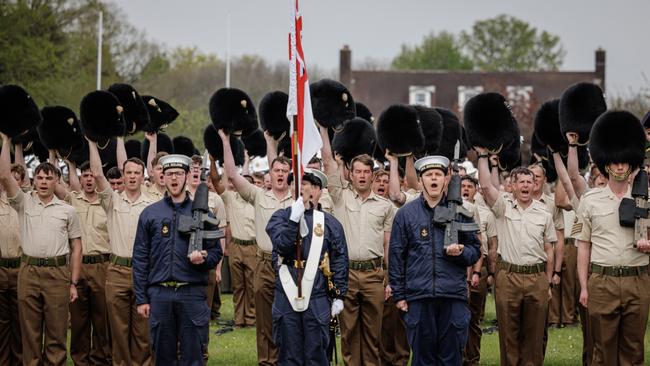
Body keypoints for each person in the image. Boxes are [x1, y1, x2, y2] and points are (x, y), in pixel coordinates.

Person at [389, 155, 481, 365]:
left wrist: (461, 253)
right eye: (428, 175)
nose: (433, 179)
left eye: (438, 174)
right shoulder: (405, 215)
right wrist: (400, 296)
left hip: (452, 296)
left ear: (445, 180)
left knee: (452, 359)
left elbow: (475, 250)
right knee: (423, 359)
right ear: (420, 180)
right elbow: (396, 257)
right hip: (419, 297)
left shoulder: (460, 212)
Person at [0, 132, 83, 366]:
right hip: (29, 272)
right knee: (31, 334)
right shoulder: (23, 202)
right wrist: (6, 141)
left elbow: (76, 246)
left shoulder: (68, 210)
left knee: (56, 336)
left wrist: (73, 282)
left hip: (57, 275)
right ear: (33, 180)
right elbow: (5, 175)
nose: (44, 182)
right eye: (40, 177)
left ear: (56, 181)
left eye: (49, 178)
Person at [133, 154, 223, 365]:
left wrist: (205, 257)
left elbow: (217, 252)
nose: (174, 179)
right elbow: (140, 258)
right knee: (163, 356)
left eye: (179, 174)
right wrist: (142, 298)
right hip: (160, 293)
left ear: (186, 177)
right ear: (162, 177)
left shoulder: (202, 213)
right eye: (170, 174)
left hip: (191, 293)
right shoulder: (150, 214)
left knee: (193, 355)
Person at [575, 111, 650, 365]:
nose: (619, 166)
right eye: (614, 162)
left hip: (637, 279)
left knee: (633, 350)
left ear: (632, 163)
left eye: (624, 161)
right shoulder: (589, 200)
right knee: (602, 350)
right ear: (606, 164)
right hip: (602, 280)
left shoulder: (646, 198)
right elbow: (583, 246)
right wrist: (584, 286)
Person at [321, 124, 395, 366]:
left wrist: (389, 278)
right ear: (351, 174)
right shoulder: (340, 197)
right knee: (349, 331)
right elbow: (329, 165)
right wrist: (324, 131)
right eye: (358, 172)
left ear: (373, 176)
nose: (362, 176)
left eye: (366, 172)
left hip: (374, 274)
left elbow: (387, 245)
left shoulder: (385, 206)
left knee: (374, 332)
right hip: (347, 274)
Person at [219, 129, 294, 365]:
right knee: (265, 318)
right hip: (264, 263)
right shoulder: (259, 195)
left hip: (292, 265)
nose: (280, 174)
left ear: (290, 174)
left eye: (284, 171)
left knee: (291, 316)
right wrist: (225, 140)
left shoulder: (298, 198)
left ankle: (288, 358)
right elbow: (231, 174)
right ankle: (267, 361)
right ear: (270, 174)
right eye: (276, 170)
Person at [476, 150, 557, 366]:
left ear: (534, 185)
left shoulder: (544, 213)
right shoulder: (502, 207)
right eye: (521, 182)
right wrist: (482, 156)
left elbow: (549, 250)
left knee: (534, 335)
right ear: (512, 185)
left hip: (536, 278)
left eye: (529, 182)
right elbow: (485, 186)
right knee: (509, 335)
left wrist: (548, 282)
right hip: (508, 277)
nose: (525, 186)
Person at [266, 169, 349, 365]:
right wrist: (293, 220)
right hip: (287, 293)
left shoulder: (329, 223)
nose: (302, 188)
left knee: (317, 354)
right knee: (289, 354)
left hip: (317, 294)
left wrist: (339, 295)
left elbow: (339, 259)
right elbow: (282, 246)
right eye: (297, 183)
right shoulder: (280, 217)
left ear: (318, 190)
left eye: (308, 184)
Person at [88, 137, 155, 366]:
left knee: (142, 329)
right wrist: (91, 142)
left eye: (137, 172)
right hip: (116, 271)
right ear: (123, 176)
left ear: (143, 176)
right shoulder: (112, 201)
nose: (133, 176)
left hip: (143, 271)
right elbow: (97, 174)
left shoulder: (152, 205)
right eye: (129, 172)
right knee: (118, 329)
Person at [63, 161, 112, 365]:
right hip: (78, 265)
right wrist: (65, 159)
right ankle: (81, 360)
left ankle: (102, 359)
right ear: (80, 179)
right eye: (85, 175)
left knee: (103, 319)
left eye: (92, 175)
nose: (89, 179)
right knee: (79, 319)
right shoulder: (71, 200)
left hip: (103, 265)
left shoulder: (108, 201)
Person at [211, 158, 257, 328]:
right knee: (238, 286)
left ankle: (251, 319)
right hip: (236, 246)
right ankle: (239, 319)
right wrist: (213, 160)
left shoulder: (257, 200)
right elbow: (216, 182)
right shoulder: (231, 198)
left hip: (253, 246)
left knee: (252, 286)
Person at [0, 152, 23, 366]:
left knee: (20, 322)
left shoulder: (25, 205)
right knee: (1, 323)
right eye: (8, 178)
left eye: (16, 179)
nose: (10, 183)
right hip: (0, 270)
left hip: (20, 269)